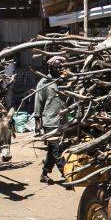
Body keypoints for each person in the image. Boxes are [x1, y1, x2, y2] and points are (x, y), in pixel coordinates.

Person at [35, 56, 66, 184]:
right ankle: (67, 174)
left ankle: (44, 174)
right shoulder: (44, 82)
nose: (59, 69)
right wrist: (38, 121)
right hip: (50, 121)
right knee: (56, 149)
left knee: (52, 151)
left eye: (60, 67)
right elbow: (38, 101)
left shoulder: (63, 81)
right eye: (56, 66)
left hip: (62, 121)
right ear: (50, 67)